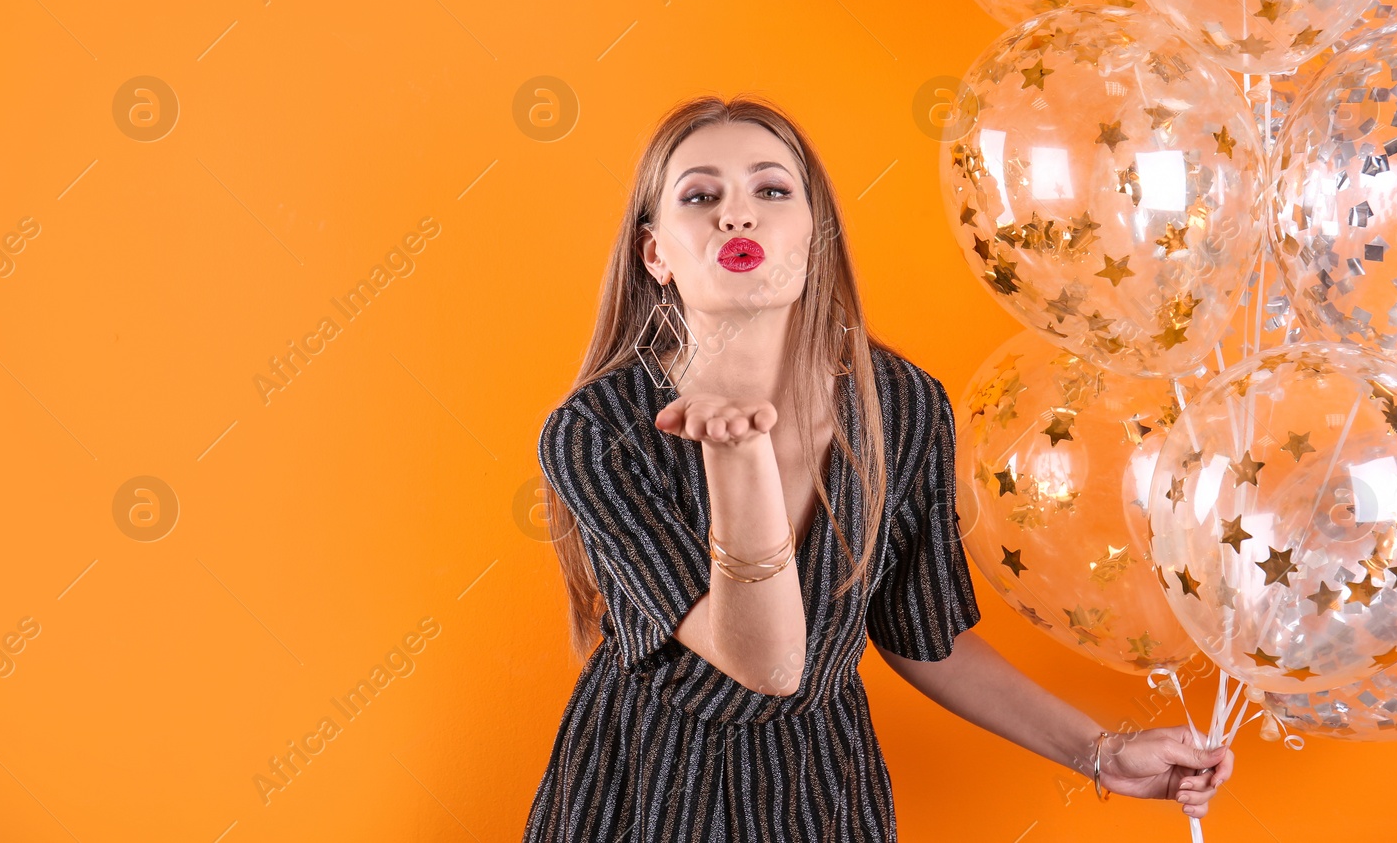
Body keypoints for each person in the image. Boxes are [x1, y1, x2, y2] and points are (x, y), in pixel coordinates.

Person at [524, 94, 1234, 841]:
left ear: (815, 234)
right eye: (701, 196)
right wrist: (740, 455)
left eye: (772, 190)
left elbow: (923, 631)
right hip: (647, 787)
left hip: (823, 788)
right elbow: (766, 663)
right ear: (656, 254)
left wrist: (1101, 751)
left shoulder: (902, 405)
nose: (738, 215)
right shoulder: (595, 432)